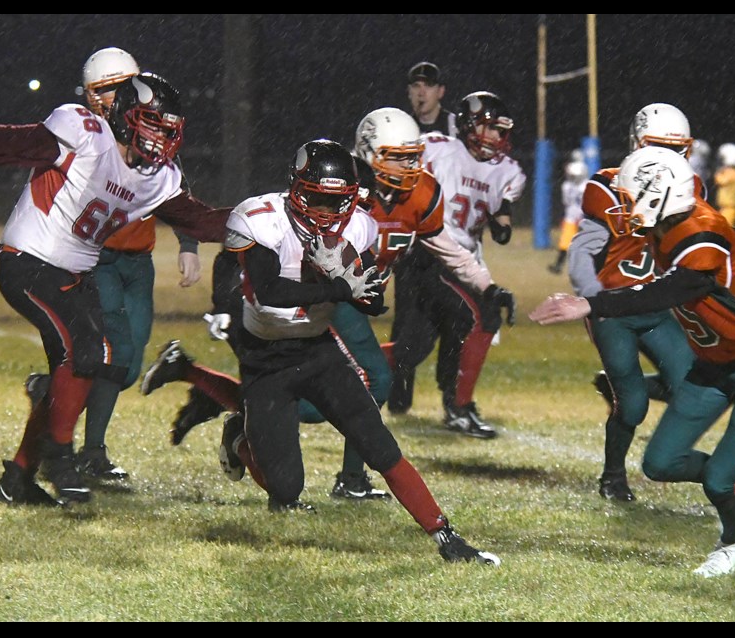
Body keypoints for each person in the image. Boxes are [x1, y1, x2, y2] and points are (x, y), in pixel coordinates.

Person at [166, 138, 501, 564]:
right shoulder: (258, 218)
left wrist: (358, 286)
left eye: (336, 201)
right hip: (264, 355)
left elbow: (372, 300)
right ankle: (239, 438)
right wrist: (336, 283)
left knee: (378, 442)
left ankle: (446, 535)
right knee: (285, 488)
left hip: (317, 347)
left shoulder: (360, 225)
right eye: (317, 199)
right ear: (296, 189)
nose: (326, 212)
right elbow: (270, 290)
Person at [0, 72, 230, 506]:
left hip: (76, 275)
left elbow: (200, 221)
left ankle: (17, 480)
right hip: (29, 261)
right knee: (90, 352)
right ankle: (60, 457)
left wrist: (264, 222)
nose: (162, 136)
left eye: (168, 127)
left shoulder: (158, 178)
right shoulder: (87, 134)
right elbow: (21, 142)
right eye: (153, 123)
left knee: (88, 366)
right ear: (127, 117)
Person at [531, 146, 735, 578]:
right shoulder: (669, 221)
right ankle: (731, 476)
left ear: (659, 192)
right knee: (659, 463)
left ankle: (733, 543)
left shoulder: (699, 234)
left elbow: (671, 290)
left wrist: (590, 305)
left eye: (634, 195)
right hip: (714, 362)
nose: (628, 205)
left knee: (718, 480)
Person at [24, 47, 203, 483]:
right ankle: (86, 450)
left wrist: (189, 242)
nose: (115, 96)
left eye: (123, 85)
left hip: (138, 264)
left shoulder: (150, 131)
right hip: (94, 259)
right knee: (112, 350)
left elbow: (176, 193)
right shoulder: (86, 136)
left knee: (127, 362)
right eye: (105, 89)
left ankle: (58, 412)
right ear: (88, 95)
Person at [566, 102, 699, 501]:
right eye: (660, 146)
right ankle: (612, 477)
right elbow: (581, 252)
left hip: (656, 306)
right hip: (614, 311)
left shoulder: (691, 188)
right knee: (634, 407)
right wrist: (594, 303)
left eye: (677, 150)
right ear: (637, 144)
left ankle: (620, 388)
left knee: (692, 387)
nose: (669, 160)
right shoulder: (607, 188)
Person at [386, 91, 524, 439]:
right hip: (427, 255)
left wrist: (501, 226)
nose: (494, 136)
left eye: (500, 130)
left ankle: (344, 372)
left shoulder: (507, 171)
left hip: (461, 261)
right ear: (467, 124)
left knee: (415, 347)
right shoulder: (436, 148)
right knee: (481, 314)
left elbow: (503, 222)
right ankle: (460, 406)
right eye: (489, 127)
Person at [548, 159, 587, 274]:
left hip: (581, 218)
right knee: (565, 243)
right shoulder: (569, 186)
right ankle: (558, 266)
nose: (573, 177)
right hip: (572, 218)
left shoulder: (574, 186)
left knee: (585, 244)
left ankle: (586, 268)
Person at [406, 62, 457, 137]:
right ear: (409, 91)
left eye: (428, 85)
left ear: (440, 91)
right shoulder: (402, 127)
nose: (421, 93)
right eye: (416, 86)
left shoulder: (457, 126)